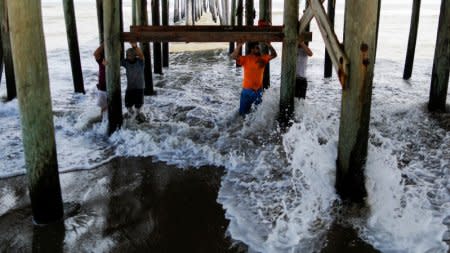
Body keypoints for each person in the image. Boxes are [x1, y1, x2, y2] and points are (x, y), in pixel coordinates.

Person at [231, 41, 277, 116]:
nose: (259, 49)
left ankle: (254, 127)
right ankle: (243, 127)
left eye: (259, 48)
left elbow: (274, 55)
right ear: (251, 49)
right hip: (247, 91)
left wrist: (269, 45)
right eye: (257, 48)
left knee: (257, 115)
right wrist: (239, 45)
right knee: (242, 114)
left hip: (258, 91)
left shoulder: (263, 59)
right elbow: (233, 56)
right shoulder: (246, 59)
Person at [121, 42, 146, 123]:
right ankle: (131, 117)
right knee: (128, 105)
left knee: (138, 107)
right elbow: (116, 61)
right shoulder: (126, 62)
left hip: (139, 87)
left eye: (131, 55)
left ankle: (138, 117)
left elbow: (141, 54)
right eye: (127, 55)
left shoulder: (140, 62)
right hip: (130, 87)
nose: (129, 57)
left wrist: (135, 46)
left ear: (135, 55)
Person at [93, 43, 107, 115]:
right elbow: (95, 54)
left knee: (113, 108)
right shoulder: (101, 60)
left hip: (113, 87)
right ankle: (103, 124)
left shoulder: (115, 59)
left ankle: (111, 124)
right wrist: (105, 43)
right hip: (102, 87)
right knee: (104, 108)